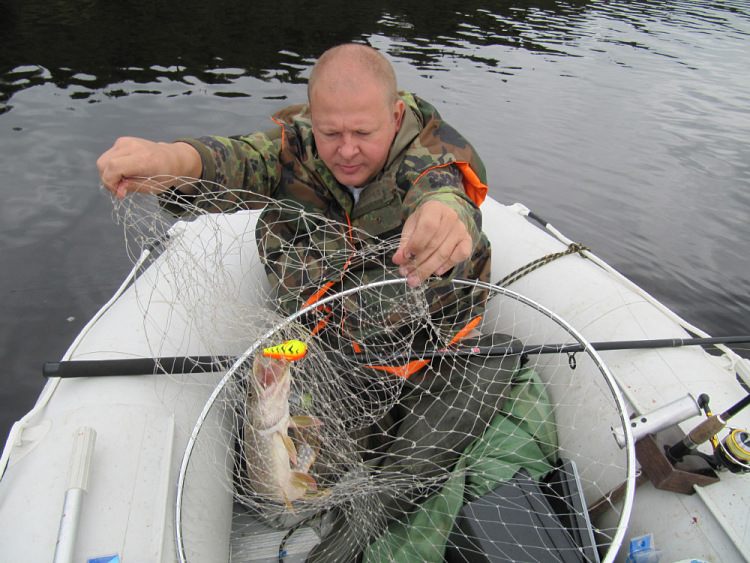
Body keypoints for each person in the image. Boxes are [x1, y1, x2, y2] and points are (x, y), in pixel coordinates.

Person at [98, 43, 504, 560]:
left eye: (363, 133)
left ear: (395, 114)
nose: (347, 150)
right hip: (322, 344)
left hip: (431, 353)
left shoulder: (431, 155)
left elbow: (445, 190)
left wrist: (445, 214)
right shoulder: (295, 152)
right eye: (331, 132)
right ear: (313, 119)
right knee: (277, 472)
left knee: (448, 419)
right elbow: (233, 159)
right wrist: (169, 160)